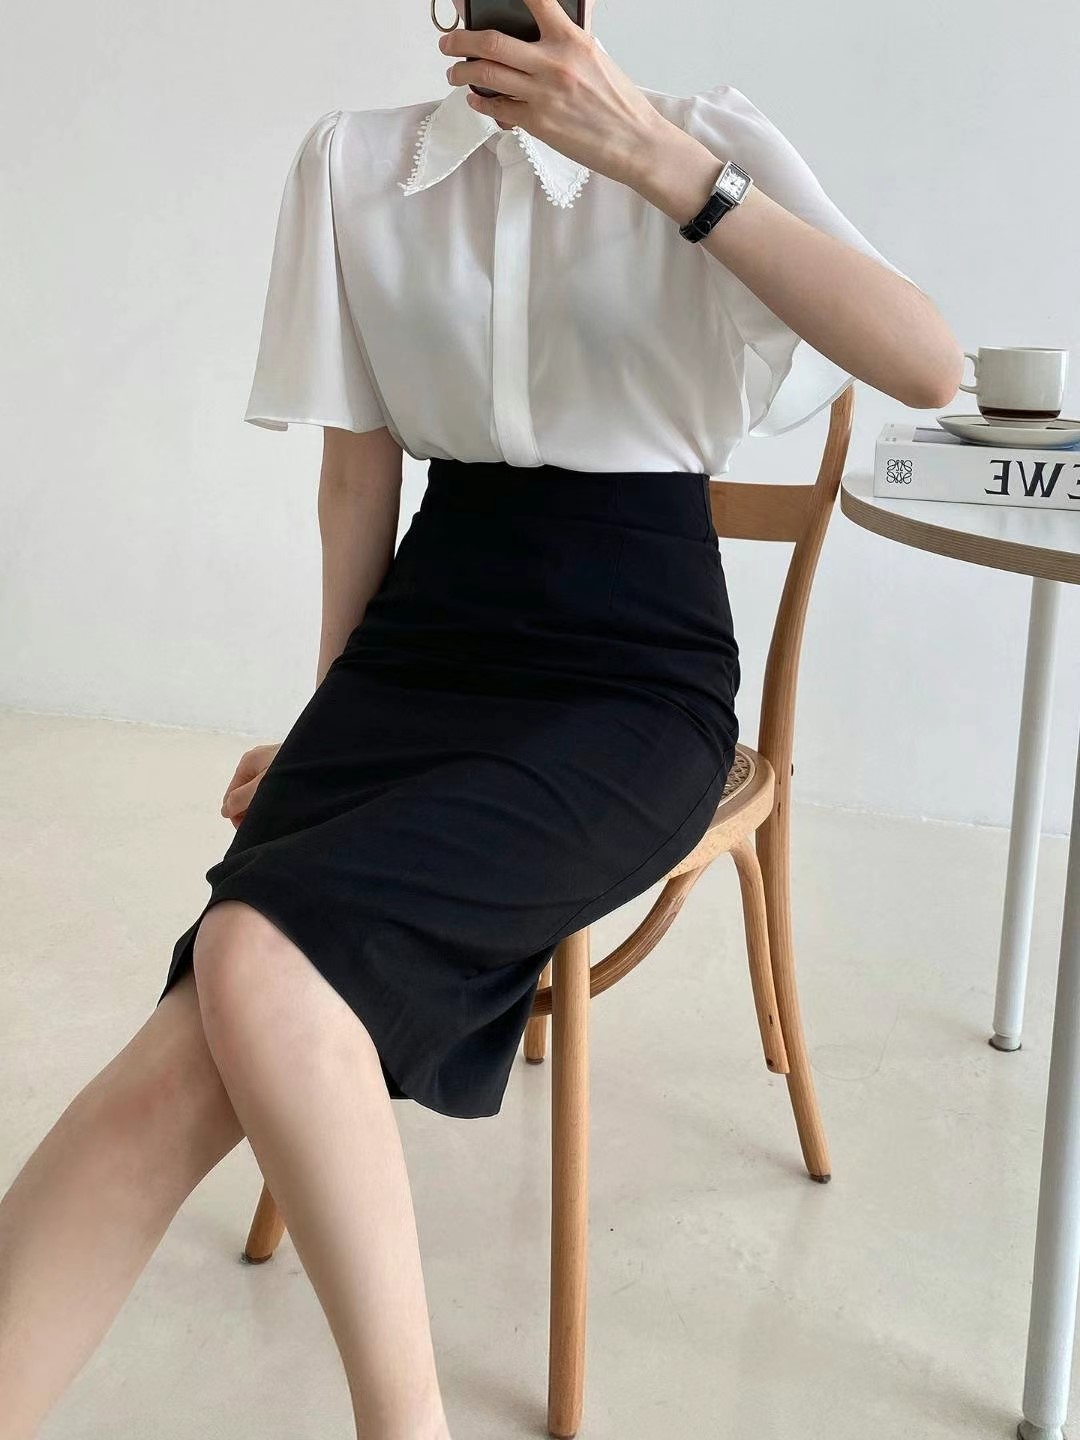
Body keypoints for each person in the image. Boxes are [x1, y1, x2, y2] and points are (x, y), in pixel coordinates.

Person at [0, 0, 962, 1434]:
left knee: (248, 956)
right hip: (418, 653)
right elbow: (357, 478)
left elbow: (928, 363)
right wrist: (326, 726)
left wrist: (656, 164)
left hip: (629, 679)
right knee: (203, 1032)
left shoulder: (704, 139)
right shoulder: (354, 164)